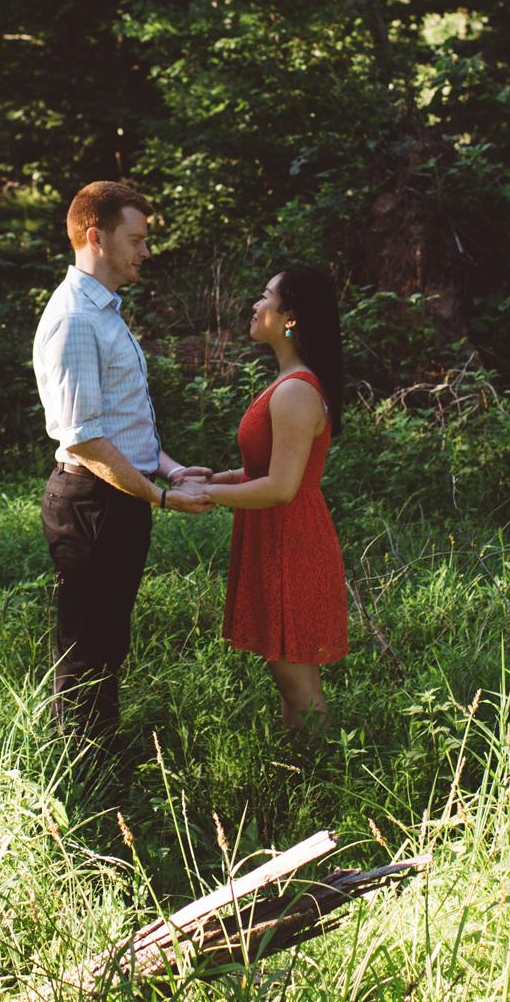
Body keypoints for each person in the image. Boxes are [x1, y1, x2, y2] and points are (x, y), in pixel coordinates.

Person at [32, 181, 211, 767]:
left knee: (109, 643)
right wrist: (160, 497)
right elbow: (83, 439)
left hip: (116, 496)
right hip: (92, 502)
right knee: (87, 650)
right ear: (95, 237)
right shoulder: (77, 318)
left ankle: (101, 766)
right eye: (135, 239)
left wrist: (172, 468)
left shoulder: (103, 311)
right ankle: (80, 780)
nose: (145, 251)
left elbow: (122, 424)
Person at [173, 266, 348, 736]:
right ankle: (302, 774)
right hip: (278, 534)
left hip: (291, 539)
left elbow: (281, 487)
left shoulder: (295, 391)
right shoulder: (289, 383)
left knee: (297, 683)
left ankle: (323, 783)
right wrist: (214, 476)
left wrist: (208, 493)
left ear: (290, 317)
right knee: (291, 678)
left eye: (265, 296)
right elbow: (264, 471)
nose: (254, 304)